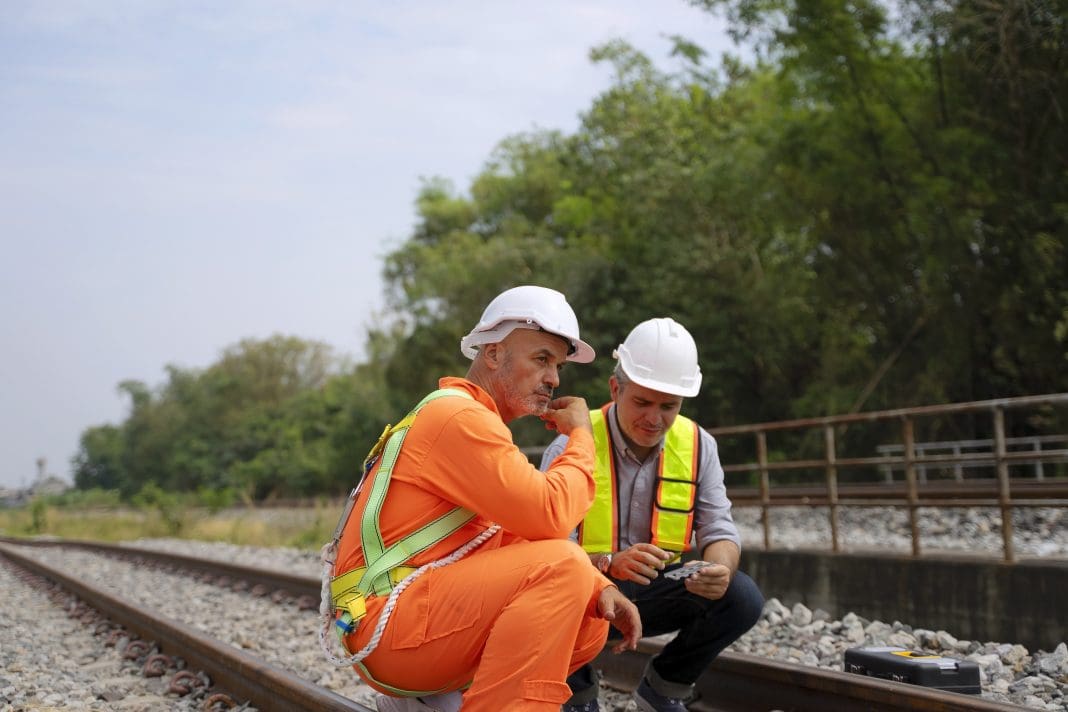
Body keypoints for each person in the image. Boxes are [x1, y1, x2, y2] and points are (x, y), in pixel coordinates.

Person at [319, 285, 642, 712]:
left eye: (558, 365)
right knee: (564, 568)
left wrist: (601, 585)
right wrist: (581, 436)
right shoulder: (459, 417)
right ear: (493, 353)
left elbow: (512, 539)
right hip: (386, 626)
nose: (554, 379)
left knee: (589, 612)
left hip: (402, 619)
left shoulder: (474, 420)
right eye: (541, 359)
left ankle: (437, 702)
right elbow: (550, 514)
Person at [540, 317, 765, 712]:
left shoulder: (700, 446)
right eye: (642, 402)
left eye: (668, 406)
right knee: (548, 593)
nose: (654, 418)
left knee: (741, 596)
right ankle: (576, 697)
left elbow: (718, 529)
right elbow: (547, 552)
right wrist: (609, 563)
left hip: (654, 589)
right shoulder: (570, 445)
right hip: (587, 591)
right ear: (615, 389)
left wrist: (718, 569)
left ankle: (663, 689)